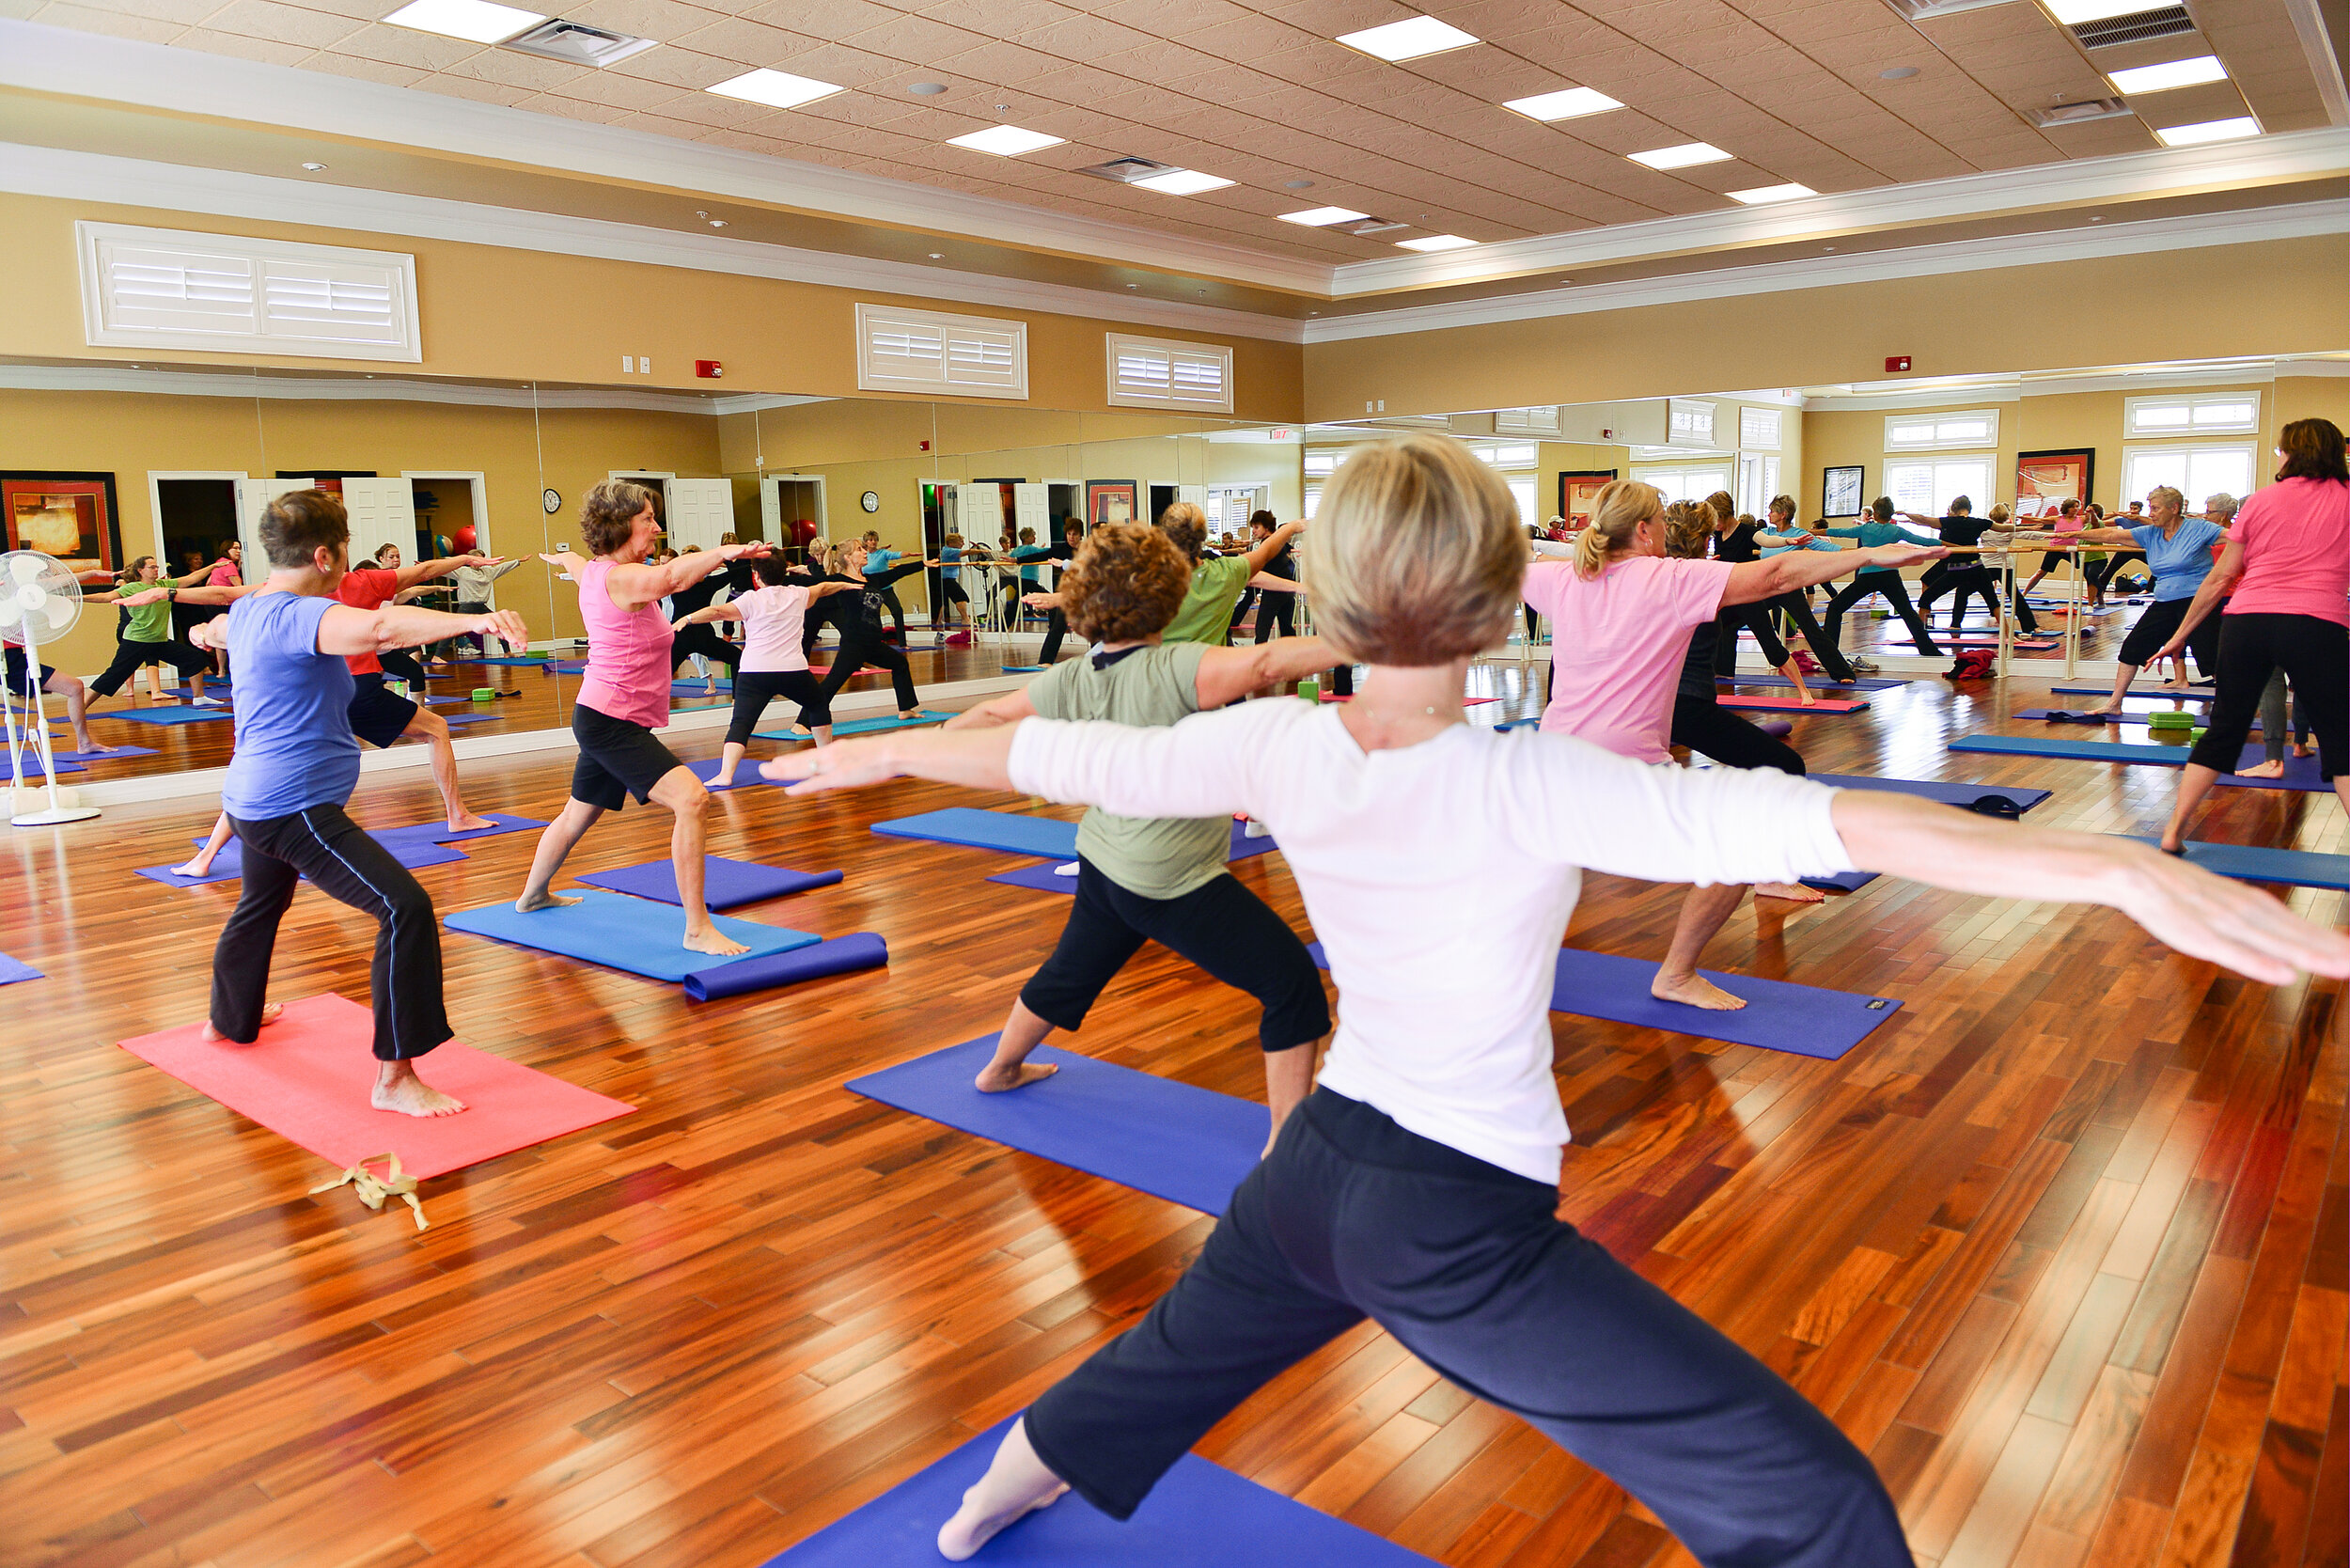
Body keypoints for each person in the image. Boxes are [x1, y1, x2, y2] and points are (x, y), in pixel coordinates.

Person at [762, 432, 2349, 1568]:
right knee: (1814, 1505)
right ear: (1497, 599)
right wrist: (2123, 874)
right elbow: (1835, 824)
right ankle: (1001, 1497)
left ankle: (985, 1505)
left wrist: (882, 746)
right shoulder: (1540, 783)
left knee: (1165, 1361)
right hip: (1451, 1209)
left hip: (1314, 1174)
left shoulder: (1284, 746)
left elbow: (1050, 752)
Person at [907, 523, 1341, 1152]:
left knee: (1069, 974)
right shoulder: (1175, 667)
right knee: (1292, 985)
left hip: (1103, 861)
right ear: (1168, 593)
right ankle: (1283, 1142)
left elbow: (991, 714)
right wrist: (1372, 639)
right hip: (1169, 878)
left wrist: (911, 749)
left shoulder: (1075, 675)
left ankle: (999, 1069)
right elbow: (1269, 660)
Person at [1527, 483, 1940, 1009]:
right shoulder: (1668, 578)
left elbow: (1496, 565)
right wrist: (1872, 553)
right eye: (1658, 518)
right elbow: (1776, 574)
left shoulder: (1563, 578)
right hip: (1623, 774)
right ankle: (1676, 975)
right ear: (1645, 531)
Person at [187, 490, 526, 1116]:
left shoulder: (249, 609)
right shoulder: (296, 615)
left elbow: (209, 628)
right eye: (343, 554)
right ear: (324, 554)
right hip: (294, 808)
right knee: (406, 909)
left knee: (260, 903)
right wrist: (475, 621)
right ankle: (396, 1078)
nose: (346, 566)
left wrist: (198, 628)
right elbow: (378, 626)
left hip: (249, 800)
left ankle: (228, 1019)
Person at [514, 481, 772, 958]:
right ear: (619, 527)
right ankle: (697, 929)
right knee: (693, 800)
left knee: (578, 813)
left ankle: (532, 895)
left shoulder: (596, 570)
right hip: (612, 721)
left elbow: (574, 562)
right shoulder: (620, 579)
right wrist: (728, 551)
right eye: (647, 520)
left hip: (601, 714)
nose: (657, 527)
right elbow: (673, 578)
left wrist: (559, 559)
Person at [2155, 417, 2349, 850]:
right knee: (2340, 740)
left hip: (2247, 622)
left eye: (2281, 450)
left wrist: (2181, 633)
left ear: (2291, 453)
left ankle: (2172, 832)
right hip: (2316, 623)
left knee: (2225, 728)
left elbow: (2223, 577)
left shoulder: (2261, 501)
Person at [1661, 503, 1822, 903]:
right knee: (1786, 766)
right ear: (1705, 538)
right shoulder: (1708, 577)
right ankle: (1770, 874)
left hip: (1646, 703)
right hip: (1686, 706)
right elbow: (1781, 572)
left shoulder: (1651, 575)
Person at [688, 556, 857, 785]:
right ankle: (827, 761)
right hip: (793, 672)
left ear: (756, 577)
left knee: (741, 723)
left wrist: (687, 619)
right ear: (785, 574)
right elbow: (825, 587)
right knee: (817, 705)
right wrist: (846, 583)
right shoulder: (797, 594)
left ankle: (726, 775)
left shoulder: (750, 599)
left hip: (754, 673)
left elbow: (717, 612)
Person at [2069, 487, 2228, 713]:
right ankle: (2114, 704)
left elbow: (2235, 535)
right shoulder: (2151, 533)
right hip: (2164, 602)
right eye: (2150, 508)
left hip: (2197, 601)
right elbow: (2112, 535)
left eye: (2155, 508)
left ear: (2174, 509)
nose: (2151, 513)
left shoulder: (2198, 528)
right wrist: (2073, 534)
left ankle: (2233, 710)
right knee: (2132, 649)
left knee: (2212, 657)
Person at [812, 538, 939, 723]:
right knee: (832, 684)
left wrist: (923, 564)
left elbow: (898, 572)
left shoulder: (872, 579)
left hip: (872, 643)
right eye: (859, 549)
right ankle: (802, 721)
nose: (865, 552)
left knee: (900, 664)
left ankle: (906, 708)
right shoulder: (838, 581)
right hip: (854, 644)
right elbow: (809, 585)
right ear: (848, 557)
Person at [88, 554, 231, 707]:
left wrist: (213, 566)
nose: (156, 569)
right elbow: (105, 597)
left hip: (159, 640)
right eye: (152, 567)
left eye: (156, 567)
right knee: (113, 676)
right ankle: (80, 705)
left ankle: (199, 697)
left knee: (195, 659)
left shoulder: (164, 585)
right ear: (141, 570)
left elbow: (191, 579)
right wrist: (77, 597)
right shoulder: (132, 587)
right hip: (137, 640)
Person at [1749, 494, 1860, 683]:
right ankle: (1719, 668)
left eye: (1773, 511)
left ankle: (1843, 673)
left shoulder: (1798, 534)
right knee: (1734, 619)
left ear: (1783, 514)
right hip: (1766, 589)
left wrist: (1865, 554)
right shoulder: (1766, 533)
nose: (1769, 514)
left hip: (1790, 590)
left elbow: (1833, 549)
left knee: (1812, 630)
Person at [1821, 497, 1944, 657]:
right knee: (1907, 613)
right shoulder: (1895, 530)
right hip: (1889, 577)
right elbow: (1924, 541)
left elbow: (1838, 532)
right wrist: (1954, 545)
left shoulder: (1865, 529)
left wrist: (1812, 532)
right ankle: (1929, 650)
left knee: (1835, 607)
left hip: (1867, 578)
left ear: (1876, 513)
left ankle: (1829, 654)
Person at [1911, 498, 2035, 635]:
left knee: (1925, 599)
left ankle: (1921, 636)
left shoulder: (1948, 522)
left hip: (1956, 570)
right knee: (1993, 603)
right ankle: (2008, 636)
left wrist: (1906, 514)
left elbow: (1923, 519)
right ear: (1969, 508)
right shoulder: (1978, 522)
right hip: (1977, 568)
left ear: (1954, 508)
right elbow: (2003, 528)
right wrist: (2026, 527)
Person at [1035, 521, 1086, 665]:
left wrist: (1065, 564)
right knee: (1058, 625)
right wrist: (1016, 559)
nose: (1071, 537)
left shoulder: (1087, 549)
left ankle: (1099, 659)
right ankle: (1045, 660)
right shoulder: (1061, 549)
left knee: (1094, 625)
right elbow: (1042, 555)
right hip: (1068, 593)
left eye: (1074, 534)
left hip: (1086, 592)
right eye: (1069, 534)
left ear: (1080, 535)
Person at [2018, 497, 2084, 600]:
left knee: (2087, 570)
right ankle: (2024, 593)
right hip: (2055, 549)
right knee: (2041, 572)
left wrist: (2115, 515)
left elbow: (2100, 519)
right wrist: (2019, 516)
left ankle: (2096, 595)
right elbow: (2039, 519)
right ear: (2067, 508)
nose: (2076, 509)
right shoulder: (2057, 519)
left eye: (2077, 507)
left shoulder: (2081, 519)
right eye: (2073, 507)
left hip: (2072, 550)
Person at [861, 529, 912, 643]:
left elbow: (895, 554)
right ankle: (877, 641)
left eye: (875, 540)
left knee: (897, 611)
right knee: (875, 616)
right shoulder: (862, 555)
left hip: (886, 589)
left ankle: (902, 642)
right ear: (866, 542)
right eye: (870, 540)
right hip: (871, 590)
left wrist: (907, 554)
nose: (873, 542)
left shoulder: (883, 553)